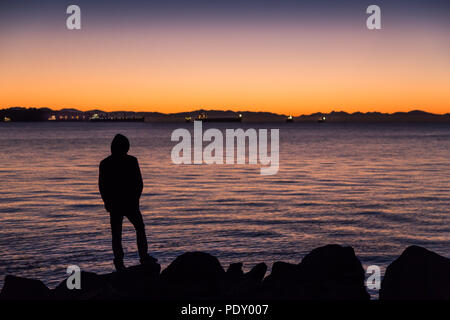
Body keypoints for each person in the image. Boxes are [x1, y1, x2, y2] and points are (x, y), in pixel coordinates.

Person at [99, 134, 156, 271]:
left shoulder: (105, 163)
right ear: (126, 147)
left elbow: (102, 186)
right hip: (128, 203)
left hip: (116, 204)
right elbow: (139, 183)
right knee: (139, 229)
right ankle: (143, 256)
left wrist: (107, 202)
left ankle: (119, 262)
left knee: (117, 234)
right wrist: (135, 199)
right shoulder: (131, 161)